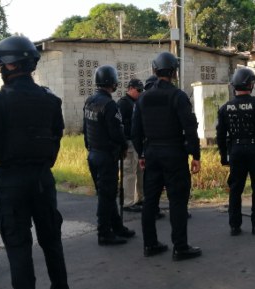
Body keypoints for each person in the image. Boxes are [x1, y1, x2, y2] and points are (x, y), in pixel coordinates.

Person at [0, 35, 73, 289]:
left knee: (18, 246)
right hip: (43, 179)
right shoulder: (51, 99)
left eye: (0, 65)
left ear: (10, 64)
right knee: (52, 241)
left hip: (13, 182)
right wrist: (43, 166)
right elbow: (56, 138)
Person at [131, 51, 202, 261]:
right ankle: (180, 247)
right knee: (177, 201)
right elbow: (190, 128)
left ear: (154, 69)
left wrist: (141, 153)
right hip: (174, 153)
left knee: (150, 201)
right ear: (174, 72)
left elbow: (135, 131)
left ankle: (150, 244)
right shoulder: (178, 96)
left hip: (151, 153)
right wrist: (195, 155)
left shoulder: (143, 97)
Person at [216, 68, 255, 236]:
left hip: (236, 151)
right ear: (250, 84)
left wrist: (224, 157)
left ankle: (234, 226)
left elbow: (220, 135)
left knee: (235, 188)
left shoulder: (225, 108)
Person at [83, 65, 136, 245]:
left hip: (93, 154)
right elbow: (116, 132)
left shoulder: (89, 101)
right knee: (106, 196)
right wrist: (122, 145)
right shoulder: (109, 104)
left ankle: (117, 226)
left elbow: (86, 129)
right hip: (106, 156)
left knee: (107, 193)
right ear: (112, 82)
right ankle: (104, 233)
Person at [117, 79, 145, 213]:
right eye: (138, 90)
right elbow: (119, 126)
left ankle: (140, 198)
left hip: (138, 143)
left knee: (140, 172)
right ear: (131, 88)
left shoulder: (136, 102)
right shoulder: (123, 103)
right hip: (128, 142)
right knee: (129, 173)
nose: (140, 93)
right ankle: (127, 203)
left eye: (141, 90)